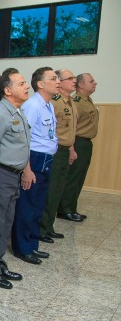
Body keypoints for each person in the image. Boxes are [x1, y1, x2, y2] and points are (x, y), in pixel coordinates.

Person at [0, 68, 30, 290]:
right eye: (21, 84)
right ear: (8, 90)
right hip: (1, 173)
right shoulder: (0, 114)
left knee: (6, 222)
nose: (26, 86)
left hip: (14, 175)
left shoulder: (17, 111)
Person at [12, 67, 59, 265]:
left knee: (38, 204)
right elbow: (24, 140)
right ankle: (22, 248)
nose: (58, 81)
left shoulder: (48, 105)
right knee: (27, 205)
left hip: (46, 159)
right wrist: (27, 169)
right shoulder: (32, 106)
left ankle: (32, 244)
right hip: (34, 159)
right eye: (53, 78)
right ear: (40, 84)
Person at [39, 69, 78, 243]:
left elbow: (70, 130)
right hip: (54, 151)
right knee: (50, 190)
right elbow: (48, 130)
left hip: (65, 149)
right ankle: (42, 228)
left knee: (58, 190)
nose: (74, 81)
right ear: (60, 83)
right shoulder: (54, 103)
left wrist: (71, 148)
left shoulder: (71, 101)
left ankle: (49, 226)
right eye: (70, 79)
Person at [58, 72, 99, 221]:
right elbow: (71, 127)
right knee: (73, 177)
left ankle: (71, 207)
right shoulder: (76, 101)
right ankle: (65, 209)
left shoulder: (87, 100)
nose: (95, 83)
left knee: (79, 177)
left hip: (86, 143)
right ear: (81, 85)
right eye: (91, 81)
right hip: (77, 142)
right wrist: (72, 148)